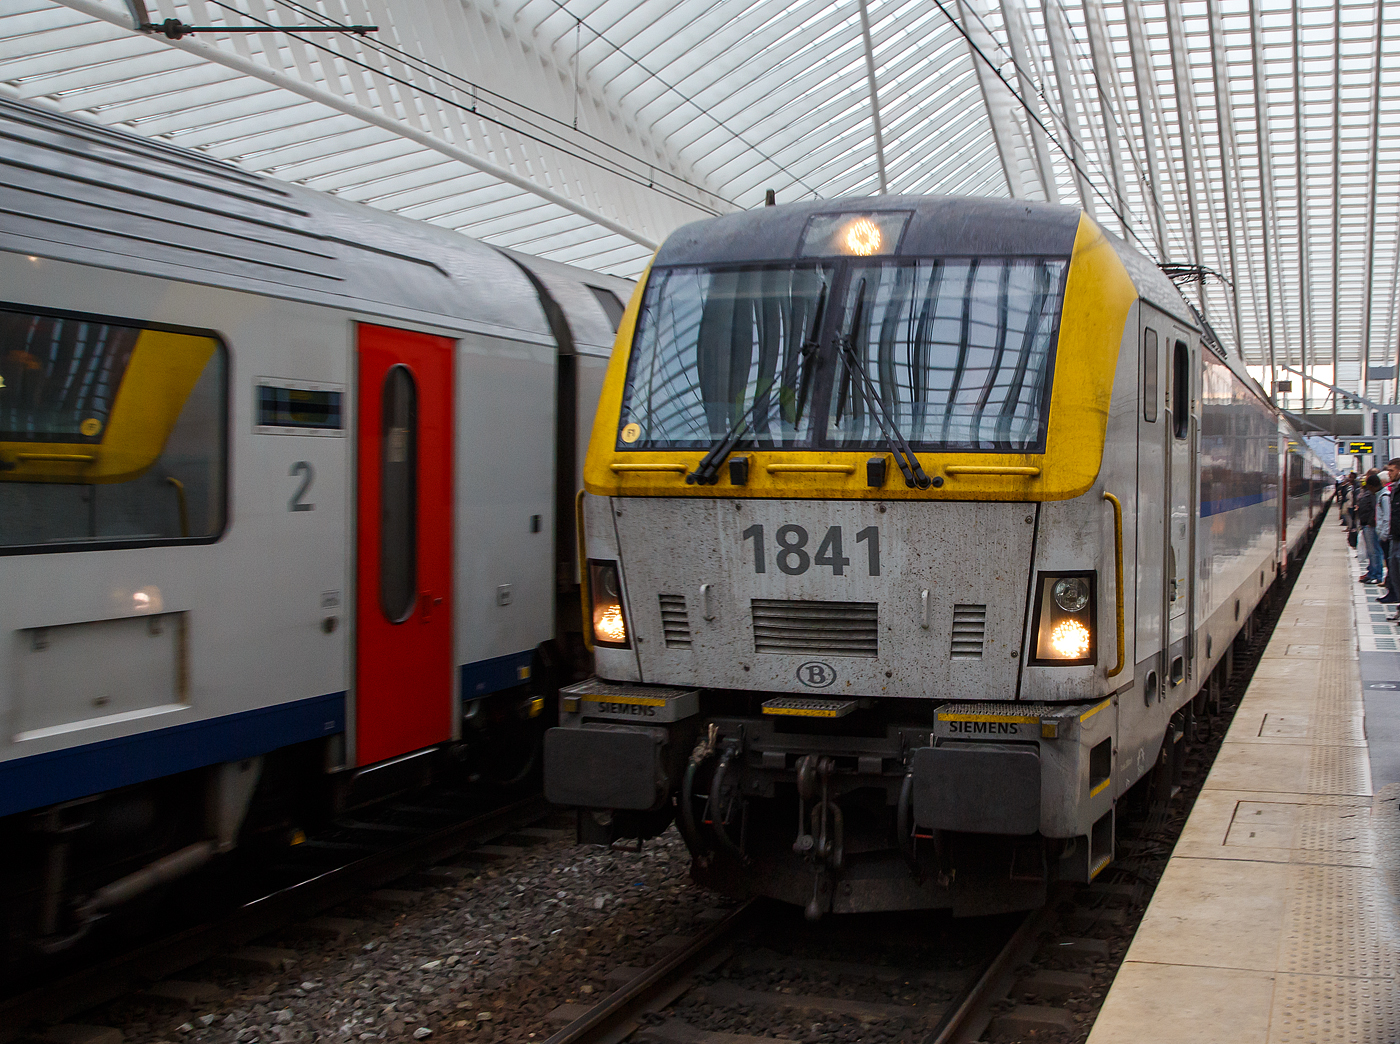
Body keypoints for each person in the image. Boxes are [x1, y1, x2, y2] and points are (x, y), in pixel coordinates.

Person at [1358, 474, 1383, 583]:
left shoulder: (1374, 494)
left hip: (1371, 526)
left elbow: (1375, 510)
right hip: (1368, 525)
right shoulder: (1372, 493)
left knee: (1374, 551)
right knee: (1371, 551)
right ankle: (1372, 572)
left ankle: (1376, 575)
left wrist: (1370, 523)